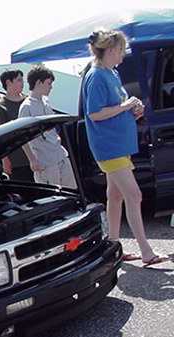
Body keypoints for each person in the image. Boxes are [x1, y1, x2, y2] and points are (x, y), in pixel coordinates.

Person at [83, 29, 169, 267]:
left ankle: (113, 246)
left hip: (118, 145)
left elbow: (114, 108)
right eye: (121, 50)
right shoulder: (97, 75)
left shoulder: (111, 73)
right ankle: (146, 251)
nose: (123, 54)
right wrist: (125, 106)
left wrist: (133, 110)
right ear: (111, 50)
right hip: (109, 146)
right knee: (134, 195)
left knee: (115, 196)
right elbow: (95, 113)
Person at [18, 64, 77, 189]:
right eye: (48, 83)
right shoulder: (26, 107)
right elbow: (22, 137)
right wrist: (32, 160)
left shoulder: (46, 101)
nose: (51, 87)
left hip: (60, 155)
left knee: (71, 190)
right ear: (39, 82)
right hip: (44, 161)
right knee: (53, 194)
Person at [0, 69, 34, 182]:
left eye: (22, 80)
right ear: (8, 82)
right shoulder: (1, 107)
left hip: (37, 157)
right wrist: (5, 160)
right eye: (19, 80)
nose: (22, 83)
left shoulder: (29, 101)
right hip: (17, 162)